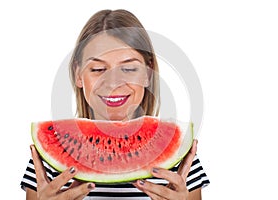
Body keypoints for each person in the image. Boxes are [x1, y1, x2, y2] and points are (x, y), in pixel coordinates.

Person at [21, 9, 210, 200]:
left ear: (148, 73)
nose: (113, 83)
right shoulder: (45, 163)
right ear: (78, 74)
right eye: (98, 69)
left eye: (128, 68)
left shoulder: (182, 160)